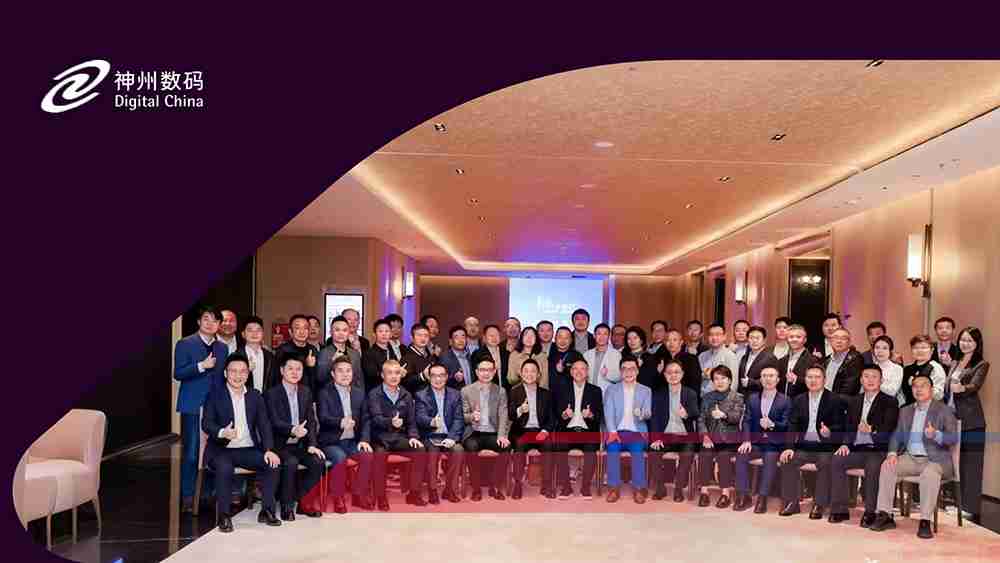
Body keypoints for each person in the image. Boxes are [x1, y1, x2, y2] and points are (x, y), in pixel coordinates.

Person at [870, 372, 959, 539]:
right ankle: (885, 514)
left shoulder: (944, 410)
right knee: (887, 466)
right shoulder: (905, 411)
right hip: (910, 457)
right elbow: (897, 435)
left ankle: (925, 521)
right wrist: (892, 453)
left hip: (935, 460)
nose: (919, 389)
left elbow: (953, 438)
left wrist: (936, 434)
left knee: (929, 474)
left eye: (923, 386)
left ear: (931, 389)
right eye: (915, 386)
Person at [202, 353, 281, 532]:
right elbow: (206, 423)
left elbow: (264, 424)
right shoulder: (215, 395)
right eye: (233, 371)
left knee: (273, 463)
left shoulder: (255, 396)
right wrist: (223, 432)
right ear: (225, 373)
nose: (238, 376)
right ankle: (224, 515)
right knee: (224, 468)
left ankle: (267, 510)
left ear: (248, 374)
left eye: (242, 371)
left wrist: (269, 449)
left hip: (247, 449)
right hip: (221, 449)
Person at [174, 305, 229, 513]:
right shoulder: (185, 343)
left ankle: (207, 493)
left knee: (213, 450)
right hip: (193, 405)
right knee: (191, 452)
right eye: (206, 319)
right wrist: (201, 366)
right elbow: (178, 373)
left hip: (215, 406)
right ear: (199, 321)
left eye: (215, 321)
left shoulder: (222, 348)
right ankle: (188, 496)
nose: (210, 324)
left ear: (219, 325)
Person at [828, 364, 899, 526]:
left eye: (874, 377)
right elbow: (848, 427)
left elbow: (889, 429)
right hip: (857, 448)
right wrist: (845, 444)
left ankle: (870, 511)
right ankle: (840, 509)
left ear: (881, 381)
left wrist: (871, 431)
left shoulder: (889, 402)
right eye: (866, 376)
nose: (870, 380)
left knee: (873, 466)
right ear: (861, 380)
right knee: (837, 460)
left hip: (877, 449)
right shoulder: (855, 401)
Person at [778, 366, 844, 519]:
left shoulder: (834, 399)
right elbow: (792, 425)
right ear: (805, 379)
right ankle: (792, 502)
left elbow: (841, 426)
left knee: (825, 462)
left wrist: (829, 432)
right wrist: (789, 447)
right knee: (788, 460)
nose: (813, 380)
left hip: (825, 446)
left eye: (817, 377)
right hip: (805, 445)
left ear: (824, 380)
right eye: (809, 377)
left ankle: (819, 503)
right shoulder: (799, 399)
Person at [264, 355, 325, 520]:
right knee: (290, 462)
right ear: (282, 370)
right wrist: (292, 430)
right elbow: (274, 421)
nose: (294, 372)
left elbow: (311, 421)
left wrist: (312, 444)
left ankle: (304, 503)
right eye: (290, 368)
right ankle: (286, 506)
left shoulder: (305, 392)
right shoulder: (271, 394)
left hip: (301, 444)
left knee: (318, 461)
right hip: (279, 445)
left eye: (298, 369)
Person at [365, 359, 427, 510]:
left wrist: (413, 437)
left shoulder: (406, 394)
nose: (394, 376)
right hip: (379, 437)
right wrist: (390, 422)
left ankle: (414, 493)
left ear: (401, 375)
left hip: (399, 437)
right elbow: (375, 419)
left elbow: (411, 421)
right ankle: (380, 497)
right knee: (379, 455)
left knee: (420, 450)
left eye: (397, 373)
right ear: (382, 375)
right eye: (390, 373)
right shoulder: (374, 394)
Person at [316, 356, 374, 513]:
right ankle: (338, 497)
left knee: (367, 456)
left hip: (352, 441)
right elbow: (323, 417)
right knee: (339, 457)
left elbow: (366, 419)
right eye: (340, 371)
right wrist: (340, 422)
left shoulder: (359, 393)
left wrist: (364, 439)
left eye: (348, 371)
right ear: (333, 374)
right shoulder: (324, 393)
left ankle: (358, 495)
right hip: (331, 441)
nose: (345, 374)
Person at [946, 326, 990, 523]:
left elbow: (975, 385)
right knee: (956, 463)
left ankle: (970, 508)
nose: (965, 344)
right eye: (963, 340)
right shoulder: (955, 362)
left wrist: (962, 388)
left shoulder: (981, 364)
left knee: (972, 465)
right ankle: (958, 504)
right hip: (952, 419)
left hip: (972, 421)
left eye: (969, 341)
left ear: (977, 343)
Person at [734, 366, 790, 513]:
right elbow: (746, 421)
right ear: (760, 379)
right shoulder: (752, 398)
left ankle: (762, 497)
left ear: (778, 380)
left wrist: (772, 425)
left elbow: (787, 425)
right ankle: (744, 495)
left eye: (771, 376)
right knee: (741, 454)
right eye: (764, 376)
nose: (767, 379)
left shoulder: (785, 400)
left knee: (770, 457)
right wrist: (746, 440)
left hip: (774, 444)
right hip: (755, 442)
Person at [461, 356, 511, 501]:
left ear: (494, 372)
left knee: (505, 447)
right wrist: (472, 416)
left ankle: (495, 486)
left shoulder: (500, 391)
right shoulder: (466, 391)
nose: (486, 373)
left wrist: (502, 435)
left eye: (489, 370)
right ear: (477, 372)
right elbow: (462, 416)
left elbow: (503, 415)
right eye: (482, 370)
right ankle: (476, 489)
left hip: (493, 433)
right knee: (471, 447)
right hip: (473, 432)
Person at [603, 357, 653, 504]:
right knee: (612, 449)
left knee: (637, 451)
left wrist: (641, 414)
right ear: (620, 372)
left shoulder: (645, 390)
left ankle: (639, 489)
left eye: (632, 369)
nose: (628, 372)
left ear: (637, 371)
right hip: (616, 431)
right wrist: (612, 432)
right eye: (624, 369)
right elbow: (608, 413)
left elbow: (648, 413)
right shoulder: (611, 390)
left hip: (636, 432)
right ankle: (613, 488)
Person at [649, 361, 699, 503]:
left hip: (684, 436)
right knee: (653, 452)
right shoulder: (659, 394)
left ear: (682, 374)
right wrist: (656, 438)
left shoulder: (690, 393)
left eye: (677, 372)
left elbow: (696, 413)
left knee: (687, 455)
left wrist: (687, 414)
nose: (673, 375)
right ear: (665, 375)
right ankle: (660, 488)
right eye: (669, 372)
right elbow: (654, 418)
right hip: (665, 436)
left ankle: (678, 489)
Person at [552, 358, 603, 499]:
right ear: (570, 372)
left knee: (591, 448)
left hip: (587, 431)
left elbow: (599, 416)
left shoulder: (595, 391)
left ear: (587, 372)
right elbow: (556, 413)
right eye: (575, 368)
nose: (578, 372)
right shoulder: (562, 390)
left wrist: (590, 415)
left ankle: (585, 487)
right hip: (568, 430)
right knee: (559, 446)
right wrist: (564, 415)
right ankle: (566, 487)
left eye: (582, 369)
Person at [414, 363, 464, 504]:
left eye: (441, 375)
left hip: (448, 436)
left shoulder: (455, 394)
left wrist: (452, 438)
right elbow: (420, 417)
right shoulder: (421, 395)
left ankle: (450, 490)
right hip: (431, 436)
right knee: (433, 451)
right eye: (434, 376)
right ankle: (433, 490)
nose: (438, 379)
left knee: (458, 450)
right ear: (429, 378)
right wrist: (432, 422)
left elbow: (459, 419)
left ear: (447, 377)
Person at [697, 365, 744, 508]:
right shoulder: (707, 397)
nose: (720, 381)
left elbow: (737, 417)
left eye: (723, 378)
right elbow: (701, 419)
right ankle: (704, 492)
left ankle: (725, 494)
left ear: (729, 380)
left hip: (729, 440)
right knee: (704, 454)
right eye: (716, 379)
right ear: (712, 381)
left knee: (724, 457)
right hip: (710, 438)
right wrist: (705, 436)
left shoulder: (737, 397)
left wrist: (724, 415)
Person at [508, 359, 556, 499]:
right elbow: (510, 415)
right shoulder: (514, 392)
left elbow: (552, 418)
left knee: (548, 445)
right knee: (519, 444)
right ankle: (518, 484)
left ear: (539, 374)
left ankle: (546, 484)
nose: (529, 374)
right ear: (521, 374)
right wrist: (520, 410)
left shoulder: (546, 394)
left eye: (533, 371)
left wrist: (545, 431)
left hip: (540, 431)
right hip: (522, 431)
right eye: (526, 371)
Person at [274, 314, 320, 395]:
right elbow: (276, 378)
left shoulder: (313, 350)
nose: (302, 332)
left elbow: (316, 378)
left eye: (305, 328)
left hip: (309, 395)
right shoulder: (283, 350)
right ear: (290, 332)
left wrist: (311, 368)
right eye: (297, 328)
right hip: (288, 394)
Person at [317, 315, 364, 393]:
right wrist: (332, 362)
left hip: (352, 394)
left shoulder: (355, 354)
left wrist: (360, 395)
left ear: (348, 333)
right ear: (331, 332)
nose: (341, 333)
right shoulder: (324, 353)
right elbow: (320, 378)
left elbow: (359, 379)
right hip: (330, 394)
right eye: (337, 330)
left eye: (344, 330)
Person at [900, 335, 947, 405]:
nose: (919, 351)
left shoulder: (935, 368)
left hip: (930, 408)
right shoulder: (907, 369)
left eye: (923, 347)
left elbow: (939, 395)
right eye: (915, 348)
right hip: (910, 408)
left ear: (932, 350)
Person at [698, 323, 740, 397]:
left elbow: (734, 383)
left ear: (724, 336)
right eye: (711, 335)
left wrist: (727, 400)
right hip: (703, 396)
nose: (714, 338)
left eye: (718, 334)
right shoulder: (702, 356)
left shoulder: (730, 356)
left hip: (722, 398)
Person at [776, 323, 815, 398]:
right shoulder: (781, 361)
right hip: (782, 402)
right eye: (791, 337)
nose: (794, 339)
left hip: (802, 402)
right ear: (787, 339)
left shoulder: (812, 360)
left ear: (805, 340)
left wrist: (796, 380)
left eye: (798, 337)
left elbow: (816, 383)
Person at [737, 325, 777, 397]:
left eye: (757, 338)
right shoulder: (744, 357)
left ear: (764, 340)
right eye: (751, 338)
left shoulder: (770, 358)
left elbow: (772, 380)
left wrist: (751, 382)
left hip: (761, 397)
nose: (754, 341)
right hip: (743, 397)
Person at [822, 327, 864, 396]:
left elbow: (850, 389)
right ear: (830, 341)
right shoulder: (827, 360)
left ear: (849, 342)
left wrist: (832, 400)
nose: (839, 341)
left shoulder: (855, 359)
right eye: (836, 338)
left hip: (841, 401)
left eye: (843, 338)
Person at [238, 315, 275, 392]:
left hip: (265, 398)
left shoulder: (270, 356)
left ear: (263, 334)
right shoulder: (237, 356)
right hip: (244, 397)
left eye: (258, 330)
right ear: (243, 334)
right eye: (250, 330)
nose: (254, 333)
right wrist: (245, 370)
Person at [623, 325, 664, 393]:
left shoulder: (650, 357)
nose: (632, 341)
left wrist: (639, 368)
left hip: (645, 392)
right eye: (629, 338)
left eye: (635, 338)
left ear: (641, 340)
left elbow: (652, 380)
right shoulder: (623, 356)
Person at [661, 328, 703, 394]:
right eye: (668, 340)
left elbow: (695, 383)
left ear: (681, 342)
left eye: (675, 340)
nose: (671, 343)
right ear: (664, 343)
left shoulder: (691, 359)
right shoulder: (663, 360)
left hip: (686, 395)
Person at [362, 319, 398, 393]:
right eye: (380, 331)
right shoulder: (368, 353)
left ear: (391, 334)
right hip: (376, 392)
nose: (384, 334)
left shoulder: (392, 351)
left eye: (387, 331)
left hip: (392, 389)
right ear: (374, 334)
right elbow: (372, 375)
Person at [583, 323, 622, 391]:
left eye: (605, 334)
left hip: (607, 392)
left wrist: (607, 374)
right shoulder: (586, 354)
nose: (602, 337)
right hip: (589, 392)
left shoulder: (616, 354)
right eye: (599, 334)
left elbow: (620, 377)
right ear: (594, 336)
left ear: (609, 336)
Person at [401, 323, 437, 394]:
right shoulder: (406, 357)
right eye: (419, 335)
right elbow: (404, 382)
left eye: (426, 336)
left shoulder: (430, 355)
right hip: (415, 397)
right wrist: (422, 376)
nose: (423, 338)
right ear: (412, 338)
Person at [472, 324, 510, 392]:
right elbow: (475, 376)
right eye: (491, 336)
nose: (494, 338)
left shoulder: (506, 353)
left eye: (497, 335)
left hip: (504, 391)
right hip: (486, 390)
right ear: (484, 338)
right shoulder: (477, 354)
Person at [872, 335, 904, 404]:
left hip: (891, 404)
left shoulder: (897, 369)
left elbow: (892, 391)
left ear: (890, 351)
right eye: (877, 348)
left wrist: (874, 383)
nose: (880, 351)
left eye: (885, 348)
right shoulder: (870, 368)